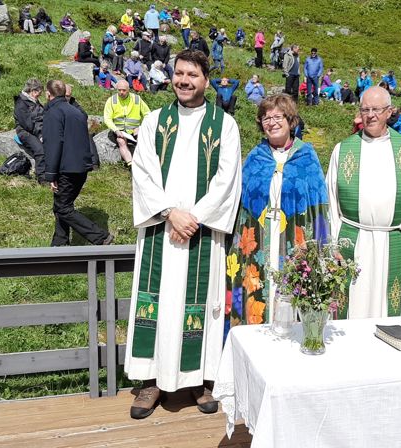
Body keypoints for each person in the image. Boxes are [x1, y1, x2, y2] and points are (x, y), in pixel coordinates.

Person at [125, 48, 242, 420]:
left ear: (206, 80)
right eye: (179, 73)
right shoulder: (154, 121)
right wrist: (170, 213)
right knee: (156, 305)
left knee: (200, 307)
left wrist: (195, 218)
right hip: (162, 231)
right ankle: (151, 381)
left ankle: (200, 379)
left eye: (192, 74)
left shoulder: (224, 124)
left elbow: (227, 180)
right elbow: (142, 172)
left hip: (202, 236)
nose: (184, 81)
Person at [326, 86, 401, 319]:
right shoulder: (343, 150)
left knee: (388, 306)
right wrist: (332, 244)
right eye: (365, 109)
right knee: (351, 305)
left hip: (392, 241)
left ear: (389, 112)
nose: (370, 115)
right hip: (352, 240)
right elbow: (330, 202)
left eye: (376, 109)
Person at [227, 94, 329, 327]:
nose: (271, 122)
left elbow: (319, 204)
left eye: (277, 116)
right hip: (258, 243)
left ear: (290, 120)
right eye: (265, 118)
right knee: (256, 303)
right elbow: (241, 202)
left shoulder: (307, 156)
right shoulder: (255, 157)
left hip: (294, 242)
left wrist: (323, 246)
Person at [42, 80, 113, 247]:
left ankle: (101, 237)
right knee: (61, 204)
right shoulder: (77, 112)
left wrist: (51, 174)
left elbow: (53, 144)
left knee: (63, 208)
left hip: (65, 168)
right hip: (81, 167)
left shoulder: (53, 113)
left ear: (48, 94)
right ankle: (59, 243)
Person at [103, 79, 150, 167]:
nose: (121, 92)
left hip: (135, 130)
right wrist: (116, 130)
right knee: (121, 141)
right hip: (119, 131)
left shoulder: (136, 99)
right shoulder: (111, 100)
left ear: (128, 90)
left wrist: (141, 127)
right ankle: (131, 165)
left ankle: (146, 163)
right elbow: (107, 118)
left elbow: (148, 114)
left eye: (124, 90)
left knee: (143, 140)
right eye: (119, 90)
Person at [14, 78, 45, 181]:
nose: (39, 96)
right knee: (40, 150)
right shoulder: (21, 103)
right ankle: (42, 178)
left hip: (38, 129)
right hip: (24, 131)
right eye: (39, 93)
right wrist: (41, 135)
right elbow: (29, 125)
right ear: (33, 91)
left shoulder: (33, 101)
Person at [64, 84, 100, 170]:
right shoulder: (54, 102)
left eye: (69, 96)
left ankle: (94, 163)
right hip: (62, 130)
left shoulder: (72, 102)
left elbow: (84, 115)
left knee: (87, 135)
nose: (67, 98)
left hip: (74, 128)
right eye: (65, 96)